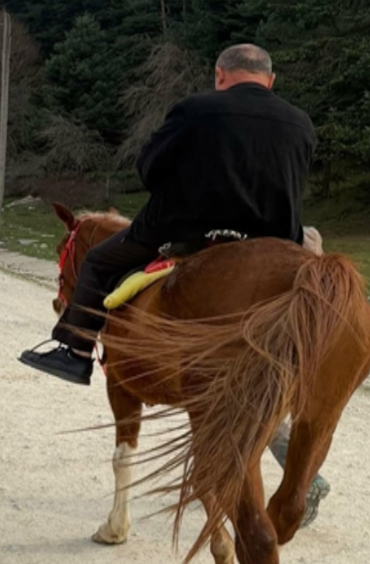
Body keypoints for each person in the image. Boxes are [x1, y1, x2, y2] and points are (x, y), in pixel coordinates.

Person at [18, 43, 316, 386]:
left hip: (187, 232)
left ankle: (77, 353)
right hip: (275, 240)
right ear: (270, 80)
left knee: (98, 261)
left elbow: (149, 167)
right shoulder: (301, 123)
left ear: (219, 75)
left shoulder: (195, 110)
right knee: (315, 267)